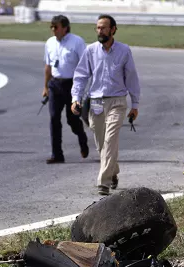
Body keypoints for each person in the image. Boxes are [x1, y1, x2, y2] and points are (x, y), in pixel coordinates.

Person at [71, 14, 140, 196]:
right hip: (96, 102)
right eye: (98, 28)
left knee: (110, 140)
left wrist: (135, 104)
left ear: (113, 29)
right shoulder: (91, 50)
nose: (100, 31)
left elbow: (131, 78)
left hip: (117, 101)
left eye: (103, 27)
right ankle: (113, 171)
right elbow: (80, 76)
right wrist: (75, 98)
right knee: (101, 144)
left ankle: (104, 182)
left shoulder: (124, 51)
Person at [43, 15, 89, 164]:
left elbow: (85, 65)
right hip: (55, 85)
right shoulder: (49, 43)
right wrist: (45, 86)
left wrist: (82, 87)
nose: (53, 30)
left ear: (65, 28)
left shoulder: (77, 42)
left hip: (71, 86)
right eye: (51, 27)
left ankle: (82, 137)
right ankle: (57, 154)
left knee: (72, 119)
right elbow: (48, 66)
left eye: (56, 27)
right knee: (54, 118)